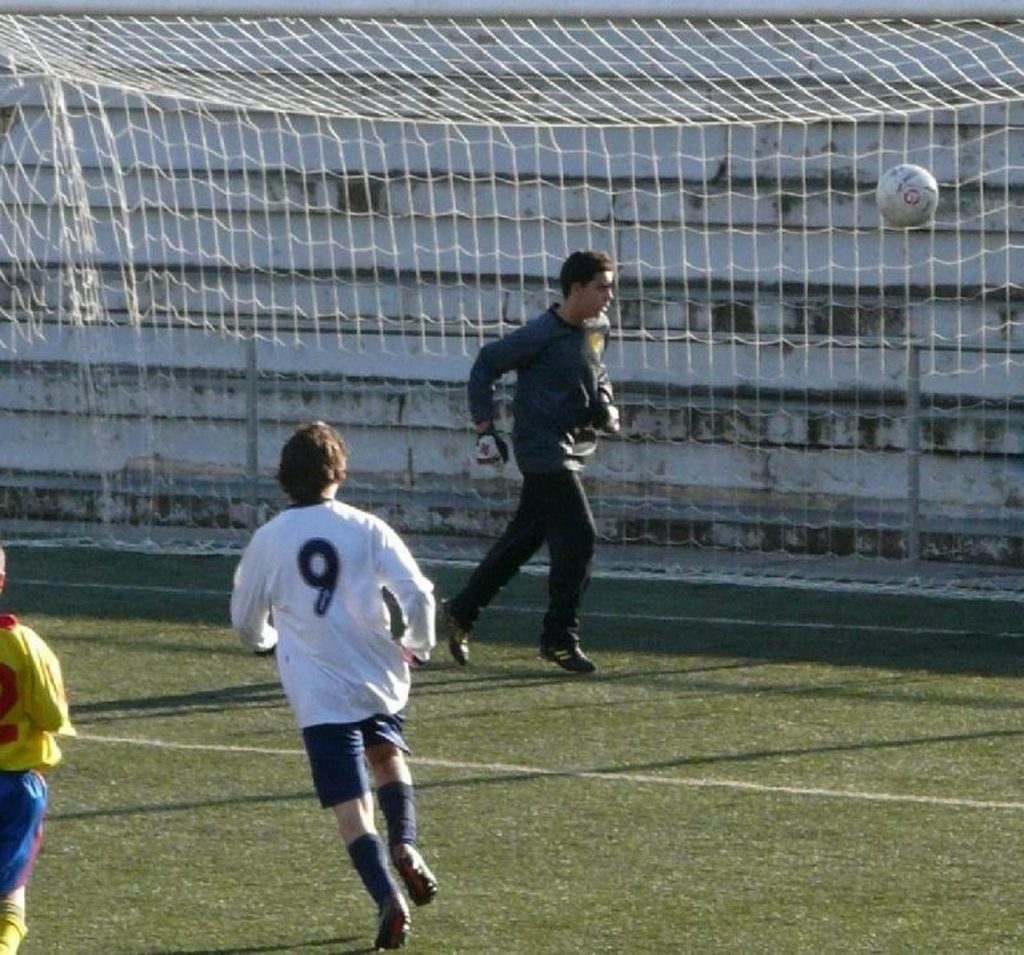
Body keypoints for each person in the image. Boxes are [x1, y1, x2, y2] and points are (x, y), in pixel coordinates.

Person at [230, 422, 438, 951]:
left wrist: (264, 641)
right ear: (340, 474)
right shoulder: (368, 527)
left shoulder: (269, 540)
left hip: (318, 690)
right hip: (375, 674)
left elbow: (245, 619)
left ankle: (386, 896)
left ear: (283, 479)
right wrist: (417, 643)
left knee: (351, 808)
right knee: (388, 757)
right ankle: (407, 845)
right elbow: (418, 594)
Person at [441, 250, 620, 674]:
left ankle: (462, 610)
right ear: (576, 289)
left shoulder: (598, 327)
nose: (610, 296)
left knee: (522, 540)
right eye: (602, 287)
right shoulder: (539, 334)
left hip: (572, 448)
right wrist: (486, 428)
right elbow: (486, 365)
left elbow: (598, 371)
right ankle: (559, 638)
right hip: (542, 451)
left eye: (611, 287)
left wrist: (606, 405)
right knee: (579, 536)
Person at [0, 545, 76, 955]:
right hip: (16, 786)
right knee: (11, 894)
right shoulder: (26, 644)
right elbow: (52, 717)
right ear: (2, 582)